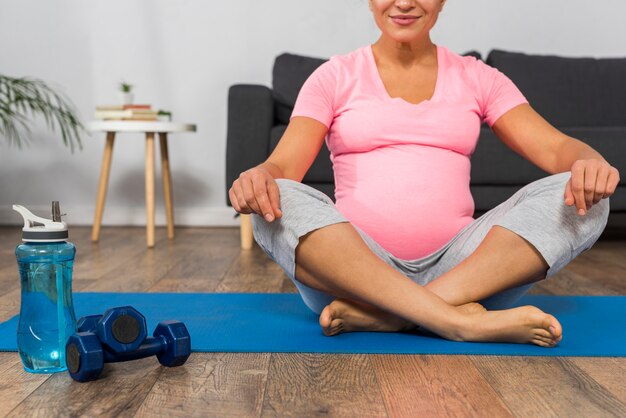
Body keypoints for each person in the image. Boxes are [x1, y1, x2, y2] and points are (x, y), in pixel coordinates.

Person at [229, 0, 620, 347]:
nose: (404, 3)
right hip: (354, 275)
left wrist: (589, 161)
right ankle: (455, 321)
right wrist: (261, 175)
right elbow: (284, 167)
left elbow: (555, 148)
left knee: (590, 203)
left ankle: (391, 317)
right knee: (275, 203)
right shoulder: (333, 76)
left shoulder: (477, 76)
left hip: (467, 274)